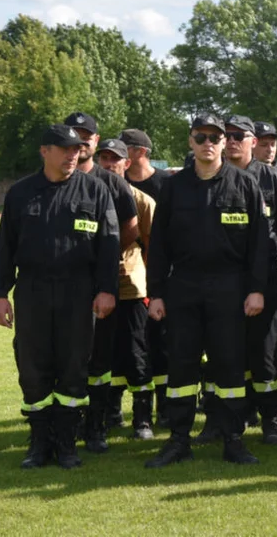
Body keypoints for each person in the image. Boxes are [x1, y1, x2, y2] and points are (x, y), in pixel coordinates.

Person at [143, 114, 269, 468]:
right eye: (202, 137)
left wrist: (256, 290)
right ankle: (178, 440)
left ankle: (233, 440)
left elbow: (260, 246)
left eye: (217, 137)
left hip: (229, 287)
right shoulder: (174, 187)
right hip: (183, 285)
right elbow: (159, 247)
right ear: (191, 142)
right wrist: (157, 294)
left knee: (229, 365)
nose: (209, 143)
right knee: (181, 365)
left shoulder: (245, 186)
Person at [0, 124, 120, 469]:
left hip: (79, 292)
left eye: (76, 149)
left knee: (73, 368)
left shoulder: (95, 191)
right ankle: (39, 443)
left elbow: (110, 247)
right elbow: (5, 248)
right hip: (33, 291)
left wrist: (107, 289)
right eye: (64, 149)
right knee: (32, 369)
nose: (71, 155)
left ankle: (66, 443)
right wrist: (0, 294)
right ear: (44, 151)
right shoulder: (21, 193)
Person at [64, 111, 140, 453]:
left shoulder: (111, 182)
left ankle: (96, 426)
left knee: (98, 361)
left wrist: (106, 257)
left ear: (96, 140)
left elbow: (131, 225)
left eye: (87, 135)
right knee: (63, 358)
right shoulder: (53, 177)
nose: (80, 141)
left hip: (100, 285)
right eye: (74, 134)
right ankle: (64, 425)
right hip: (60, 286)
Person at [221, 115, 277, 446]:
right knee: (225, 349)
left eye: (240, 135)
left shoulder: (276, 181)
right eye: (227, 135)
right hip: (224, 276)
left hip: (267, 274)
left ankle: (271, 416)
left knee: (266, 348)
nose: (232, 140)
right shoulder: (212, 178)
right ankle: (227, 416)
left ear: (254, 141)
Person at [96, 138, 158, 441]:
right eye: (103, 158)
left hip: (132, 288)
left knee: (135, 354)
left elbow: (153, 247)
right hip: (95, 289)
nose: (108, 164)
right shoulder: (88, 193)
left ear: (127, 163)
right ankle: (110, 412)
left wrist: (151, 287)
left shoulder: (141, 200)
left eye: (115, 159)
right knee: (102, 355)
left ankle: (143, 418)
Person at [120, 127, 171, 427]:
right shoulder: (119, 184)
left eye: (124, 148)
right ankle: (119, 411)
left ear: (139, 152)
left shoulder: (164, 184)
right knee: (133, 346)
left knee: (163, 343)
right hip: (131, 280)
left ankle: (165, 407)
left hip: (162, 275)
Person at [121, 128, 171, 202]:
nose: (118, 152)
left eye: (123, 148)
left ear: (141, 152)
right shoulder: (118, 179)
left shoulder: (167, 181)